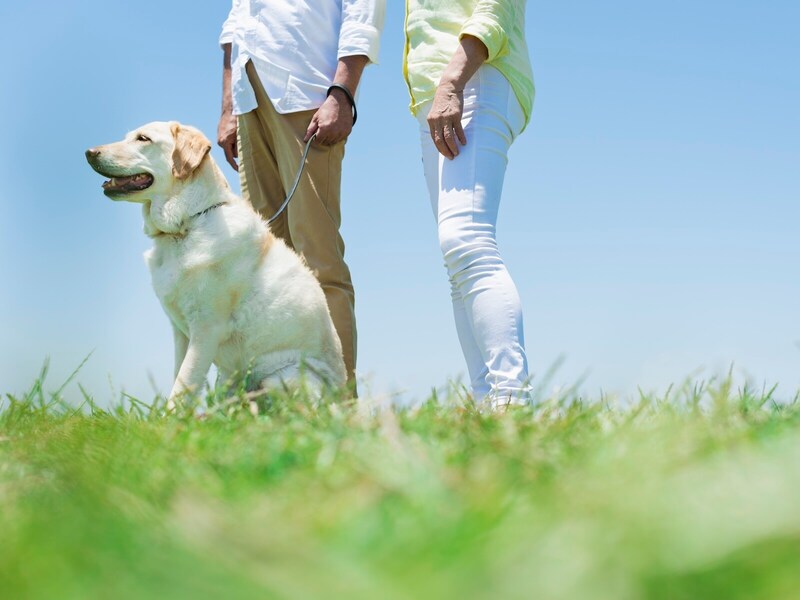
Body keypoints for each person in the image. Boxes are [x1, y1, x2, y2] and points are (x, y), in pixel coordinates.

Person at [218, 1, 385, 393]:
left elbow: (363, 10)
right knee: (263, 270)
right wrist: (228, 108)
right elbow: (234, 25)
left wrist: (342, 92)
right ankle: (272, 401)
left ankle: (338, 399)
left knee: (318, 260)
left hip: (306, 94)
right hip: (249, 101)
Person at [405, 0, 535, 408]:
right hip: (435, 94)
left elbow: (496, 7)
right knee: (457, 262)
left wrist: (451, 83)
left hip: (475, 75)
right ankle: (486, 406)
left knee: (467, 241)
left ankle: (512, 402)